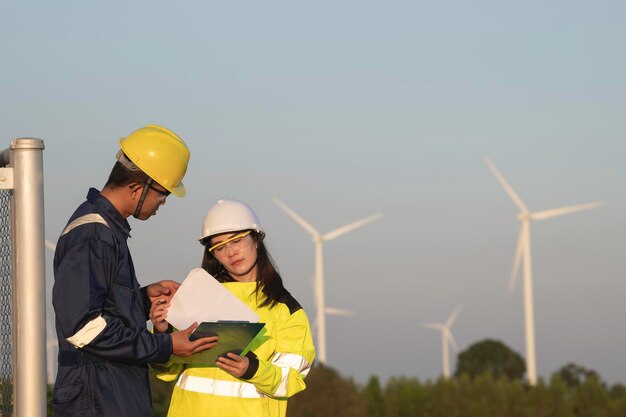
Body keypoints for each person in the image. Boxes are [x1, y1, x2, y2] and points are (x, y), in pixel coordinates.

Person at [51, 125, 217, 417]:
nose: (163, 202)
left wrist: (142, 300)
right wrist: (165, 346)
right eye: (163, 193)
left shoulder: (106, 231)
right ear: (137, 188)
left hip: (109, 388)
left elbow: (100, 311)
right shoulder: (94, 234)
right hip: (98, 394)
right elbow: (82, 328)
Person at [150, 198, 316, 417]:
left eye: (236, 240)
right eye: (219, 247)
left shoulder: (286, 311)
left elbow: (292, 380)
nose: (230, 252)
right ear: (213, 255)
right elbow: (166, 373)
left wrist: (253, 369)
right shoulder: (198, 297)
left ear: (256, 239)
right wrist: (162, 334)